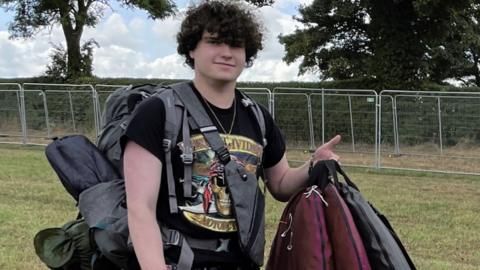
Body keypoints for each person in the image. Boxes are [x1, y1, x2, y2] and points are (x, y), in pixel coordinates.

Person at [122, 1, 341, 269]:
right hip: (177, 262)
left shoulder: (257, 117)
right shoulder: (158, 112)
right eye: (214, 42)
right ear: (192, 49)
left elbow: (281, 184)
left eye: (236, 45)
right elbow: (140, 208)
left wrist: (313, 164)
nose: (227, 53)